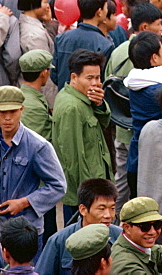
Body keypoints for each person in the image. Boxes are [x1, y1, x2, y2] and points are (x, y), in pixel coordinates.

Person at [0, 85, 66, 238]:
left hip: (28, 229)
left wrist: (24, 202)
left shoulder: (38, 145)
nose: (8, 118)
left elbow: (58, 186)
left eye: (13, 112)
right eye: (3, 112)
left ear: (22, 110)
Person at [52, 50, 112, 222]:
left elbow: (103, 124)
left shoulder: (83, 99)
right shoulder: (72, 107)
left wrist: (99, 105)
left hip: (94, 184)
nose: (95, 83)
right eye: (89, 78)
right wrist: (87, 196)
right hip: (84, 193)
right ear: (74, 77)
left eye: (98, 78)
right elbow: (72, 159)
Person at [36, 178, 121, 275]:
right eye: (101, 209)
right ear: (83, 209)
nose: (108, 215)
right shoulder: (58, 241)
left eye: (112, 208)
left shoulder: (120, 237)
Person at [109, 196, 162, 274]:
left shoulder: (142, 247)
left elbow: (161, 253)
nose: (152, 232)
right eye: (145, 227)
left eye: (157, 225)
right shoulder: (125, 265)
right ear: (127, 228)